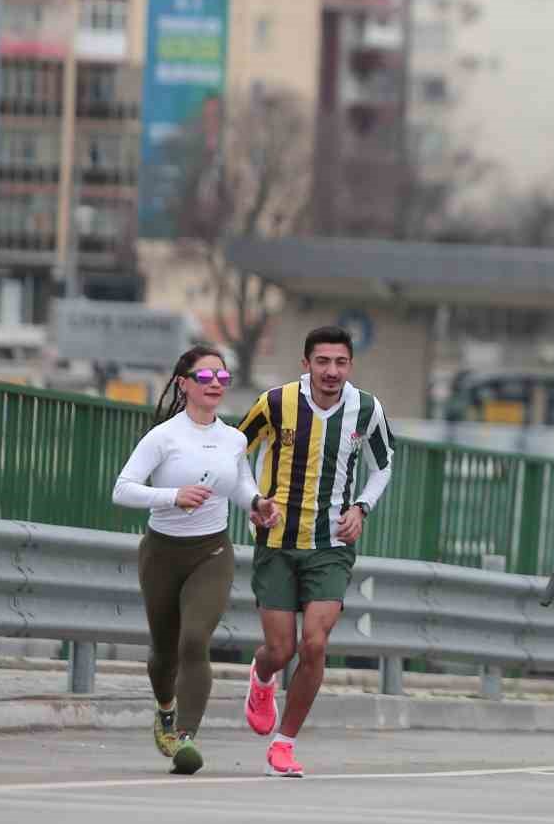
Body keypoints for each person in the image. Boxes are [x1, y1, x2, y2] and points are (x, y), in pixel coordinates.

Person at [236, 325, 397, 778]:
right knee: (279, 649)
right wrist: (252, 500)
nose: (332, 371)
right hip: (277, 542)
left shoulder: (367, 409)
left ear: (350, 365)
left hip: (331, 545)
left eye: (340, 362)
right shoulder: (275, 402)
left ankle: (284, 744)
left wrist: (362, 507)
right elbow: (234, 451)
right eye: (322, 361)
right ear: (306, 364)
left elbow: (383, 465)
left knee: (315, 643)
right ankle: (262, 675)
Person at [112, 345, 280, 775]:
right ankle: (166, 710)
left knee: (194, 640)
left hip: (212, 552)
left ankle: (185, 736)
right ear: (184, 384)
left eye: (222, 378)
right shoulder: (164, 436)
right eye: (205, 377)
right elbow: (123, 489)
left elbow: (239, 484)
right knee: (164, 652)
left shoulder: (233, 439)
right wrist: (173, 496)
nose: (215, 385)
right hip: (162, 553)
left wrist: (257, 503)